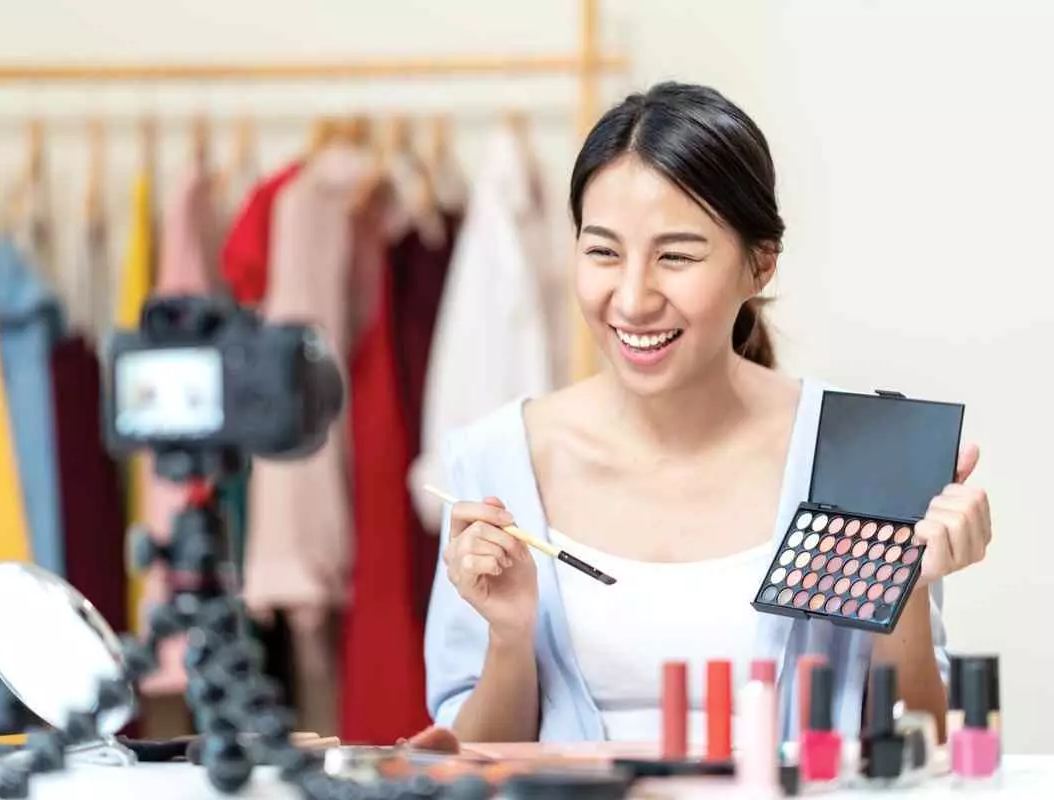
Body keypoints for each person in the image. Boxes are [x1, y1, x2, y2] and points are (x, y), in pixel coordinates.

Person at [422, 81, 992, 746]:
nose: (632, 299)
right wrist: (510, 636)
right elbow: (469, 760)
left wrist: (909, 592)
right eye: (602, 251)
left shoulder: (862, 449)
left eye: (676, 256)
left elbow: (917, 747)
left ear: (760, 265)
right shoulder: (495, 461)